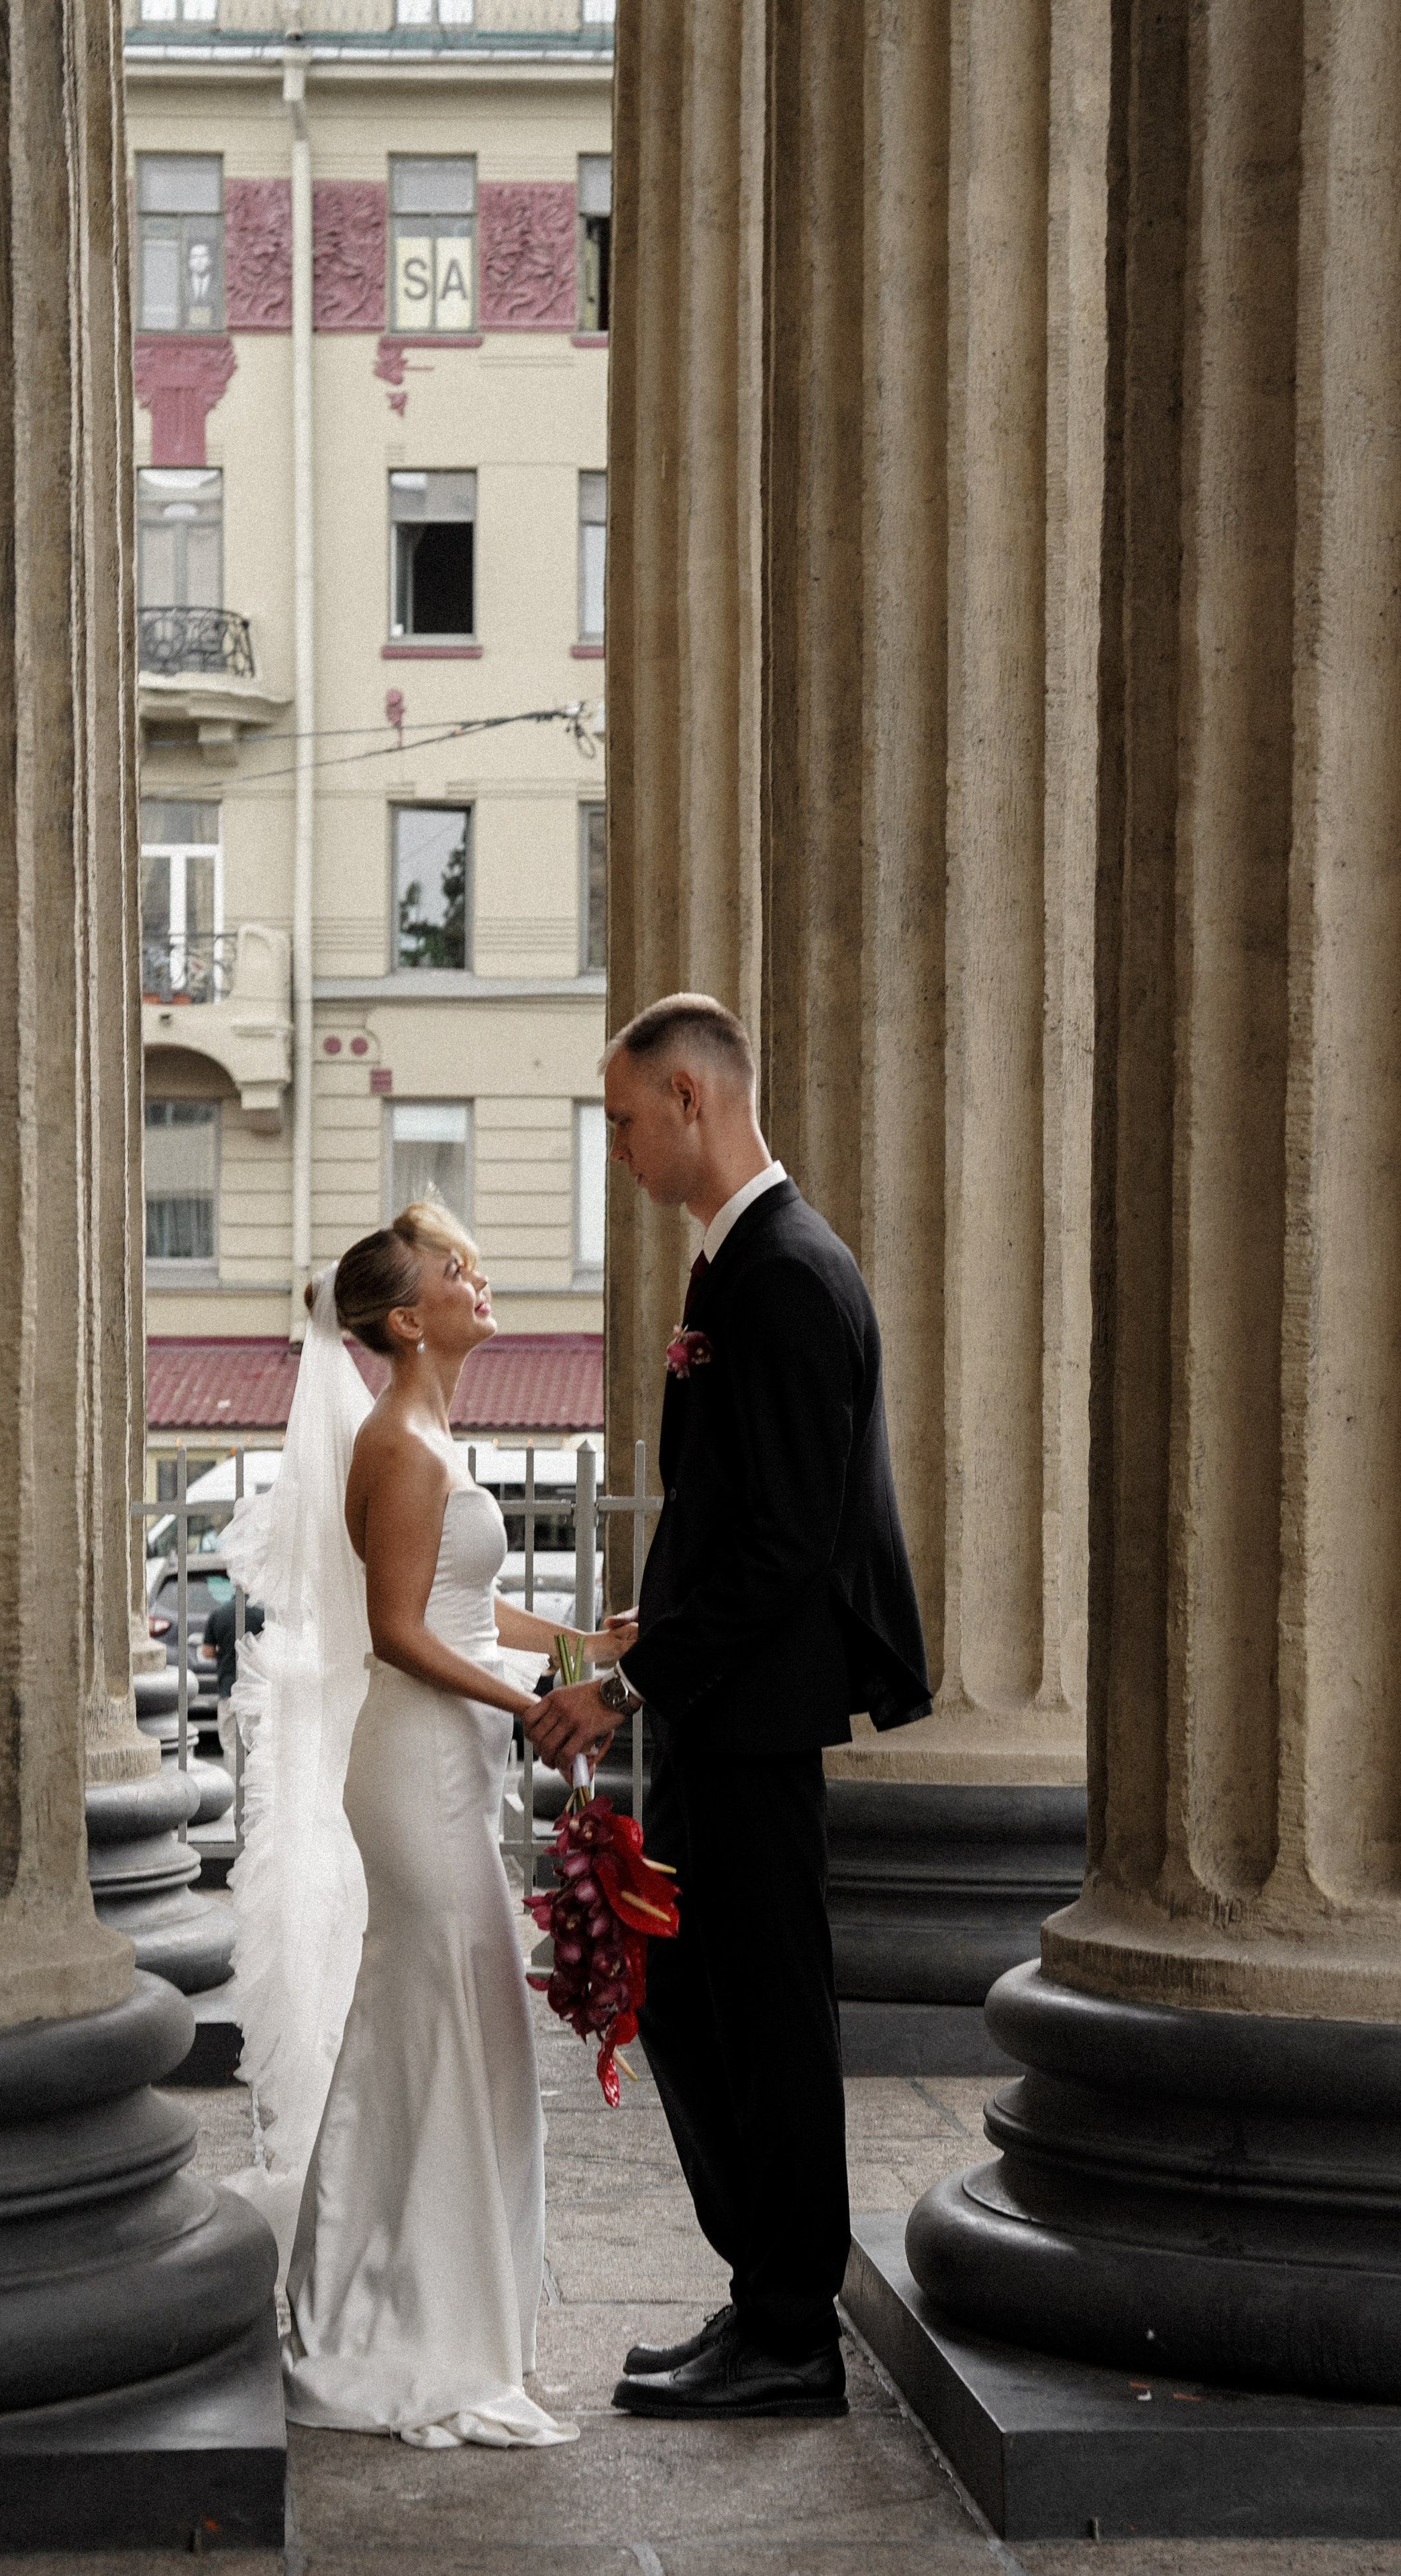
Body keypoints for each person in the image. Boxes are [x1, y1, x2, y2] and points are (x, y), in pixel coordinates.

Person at [529, 994, 931, 2421]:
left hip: (751, 1723)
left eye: (626, 1120)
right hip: (724, 1700)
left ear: (692, 1101)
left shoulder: (782, 1275)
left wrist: (626, 1683)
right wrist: (654, 1625)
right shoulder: (731, 1269)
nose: (619, 1148)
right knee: (701, 2008)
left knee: (761, 2017)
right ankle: (761, 2292)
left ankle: (789, 2331)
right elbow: (733, 1520)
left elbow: (784, 1538)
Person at [229, 1204, 633, 2449]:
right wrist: (540, 1707)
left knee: (448, 2025)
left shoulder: (425, 1428)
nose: (478, 1279)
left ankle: (411, 2287)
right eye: (454, 1271)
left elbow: (465, 1601)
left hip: (444, 1756)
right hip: (416, 1766)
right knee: (454, 2023)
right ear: (407, 1320)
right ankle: (399, 2312)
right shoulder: (402, 1439)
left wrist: (581, 1646)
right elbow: (400, 1630)